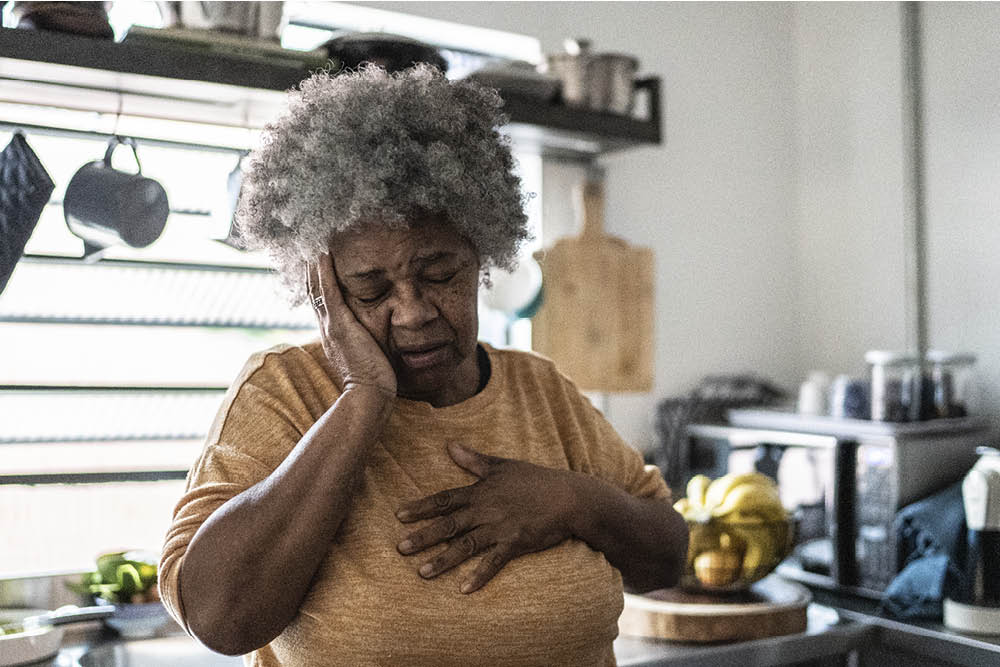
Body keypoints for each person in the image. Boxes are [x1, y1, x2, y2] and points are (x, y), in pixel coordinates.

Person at [159, 64, 687, 667]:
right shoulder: (284, 393)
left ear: (480, 255)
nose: (411, 314)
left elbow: (664, 559)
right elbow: (221, 620)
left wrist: (571, 501)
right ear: (320, 284)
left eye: (439, 274)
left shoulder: (542, 390)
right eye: (370, 289)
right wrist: (362, 397)